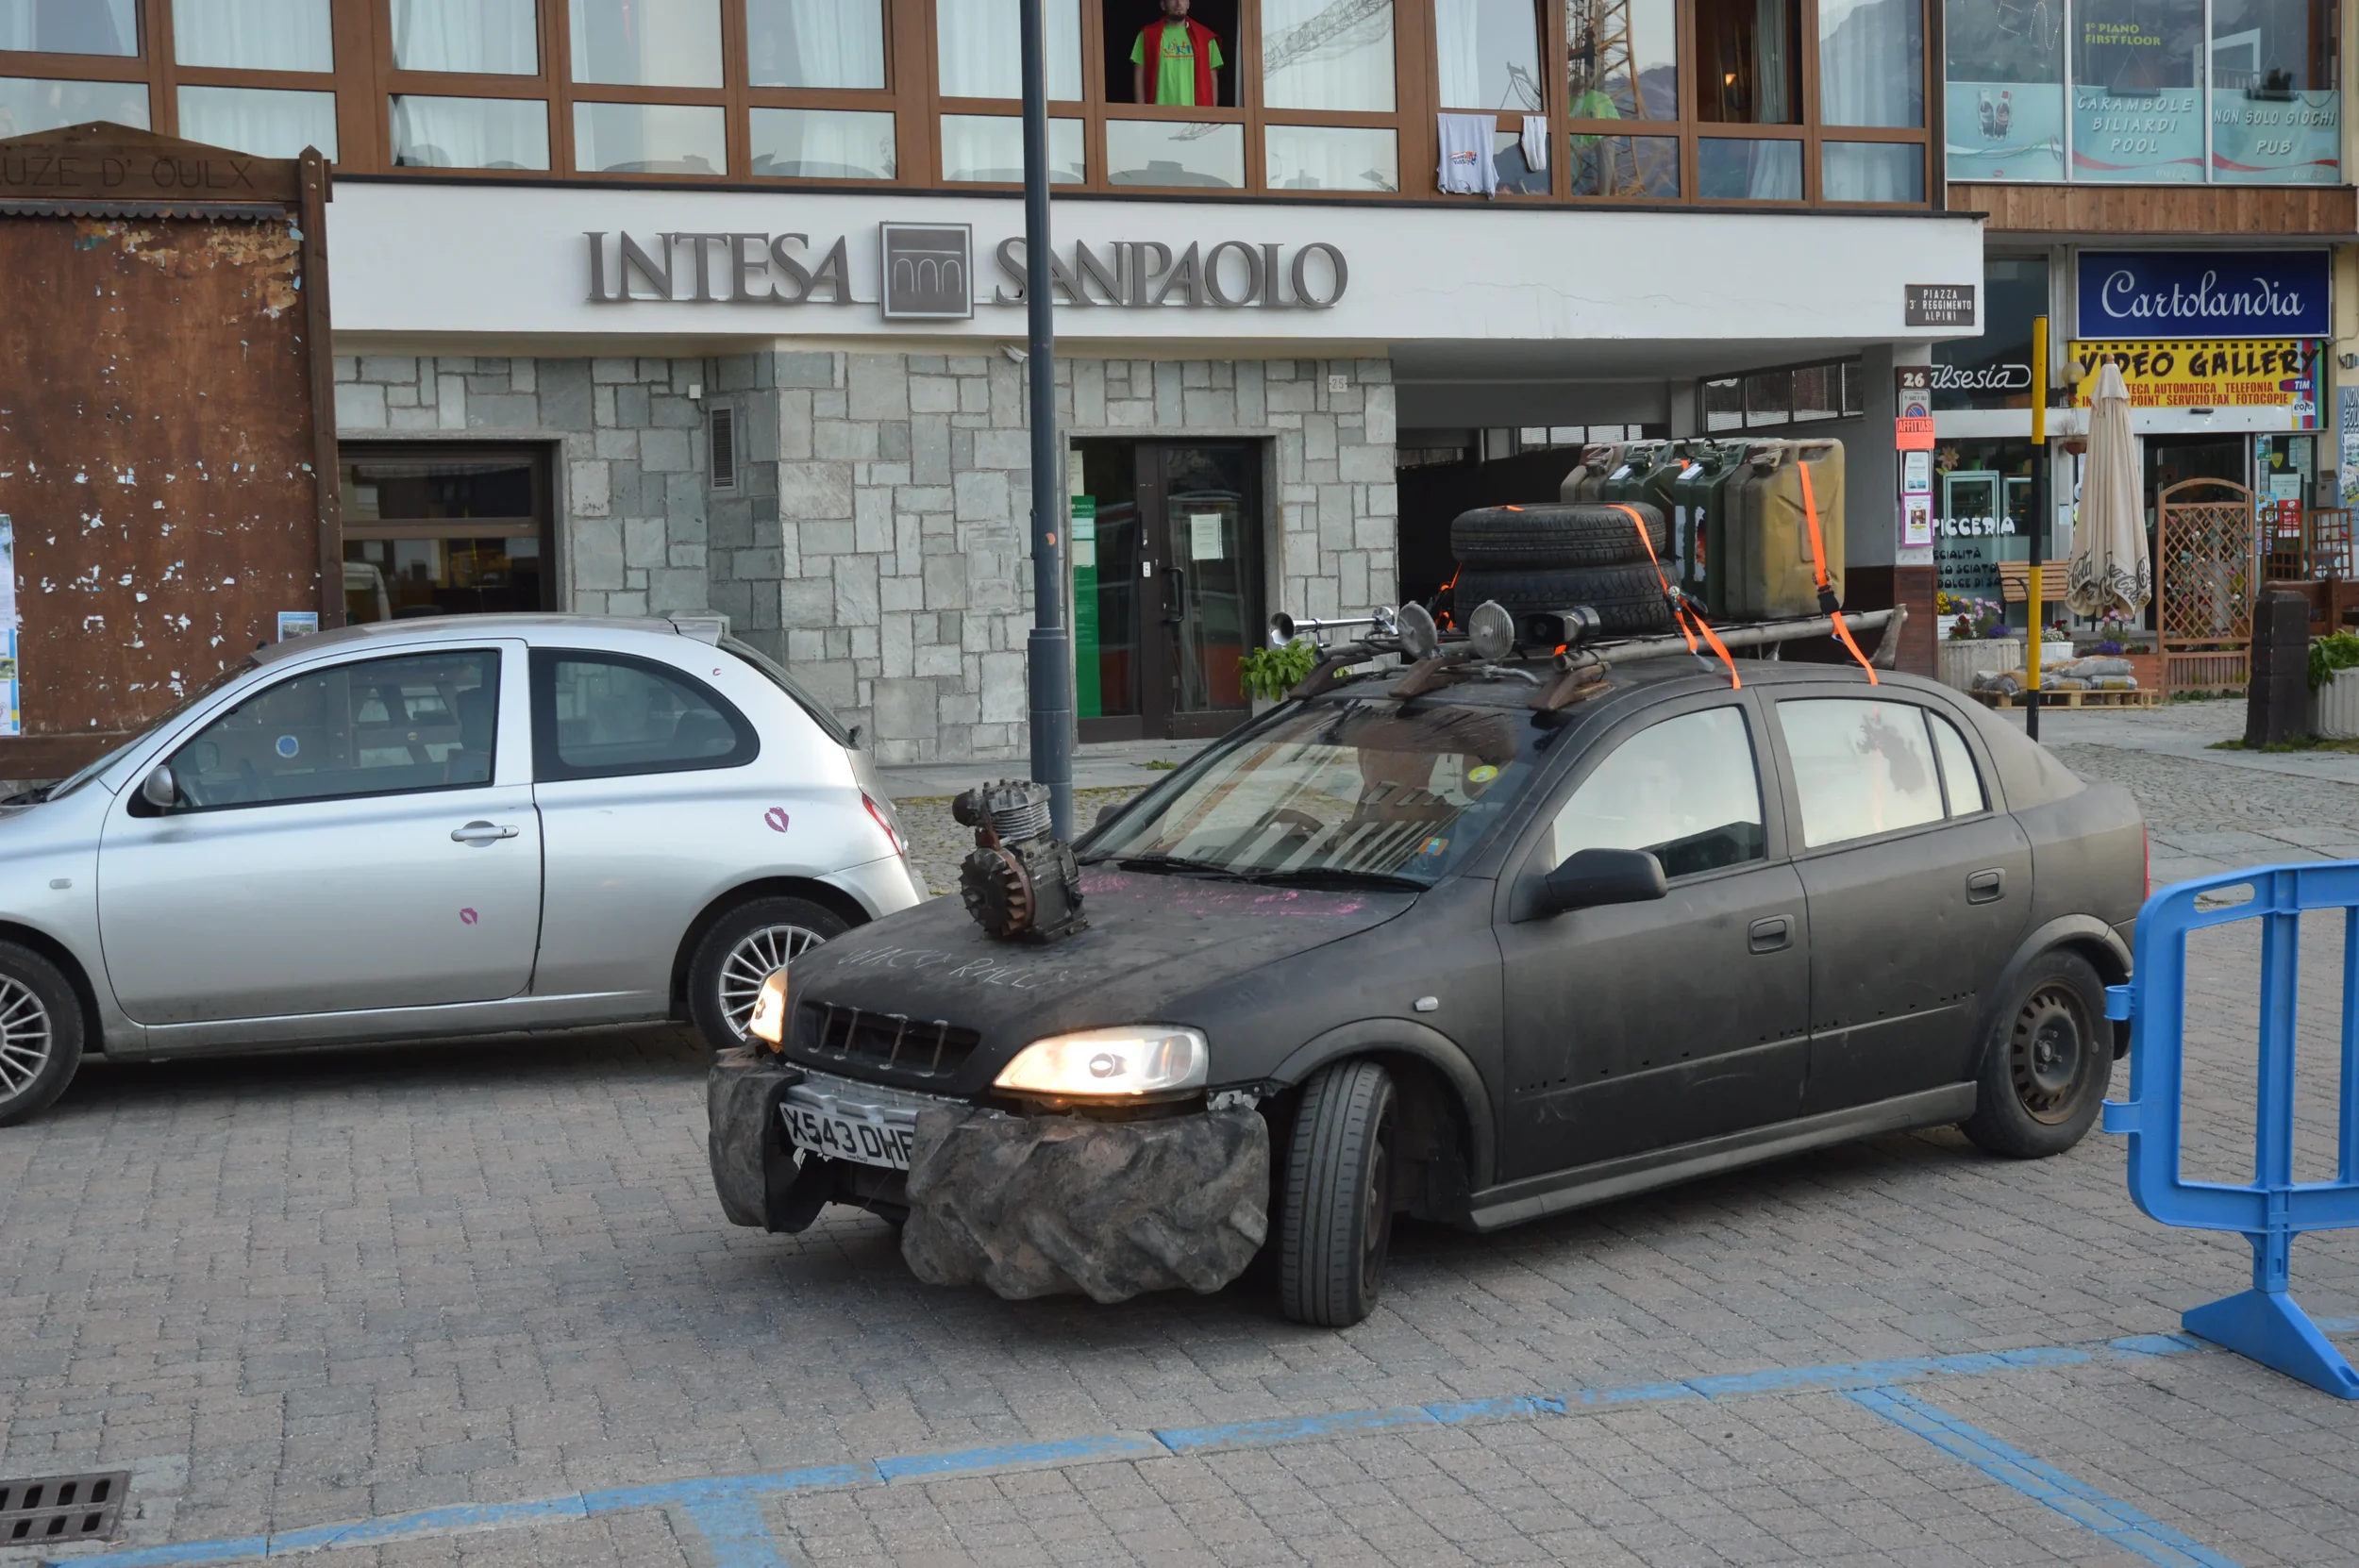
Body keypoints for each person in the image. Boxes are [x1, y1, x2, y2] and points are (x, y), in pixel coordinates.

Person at [1130, 0, 1223, 108]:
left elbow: (1213, 80)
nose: (1179, 3)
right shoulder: (1147, 35)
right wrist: (1142, 112)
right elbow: (1139, 76)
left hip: (1195, 114)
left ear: (1188, 4)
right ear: (1163, 5)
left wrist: (1212, 113)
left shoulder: (1205, 37)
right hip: (1158, 113)